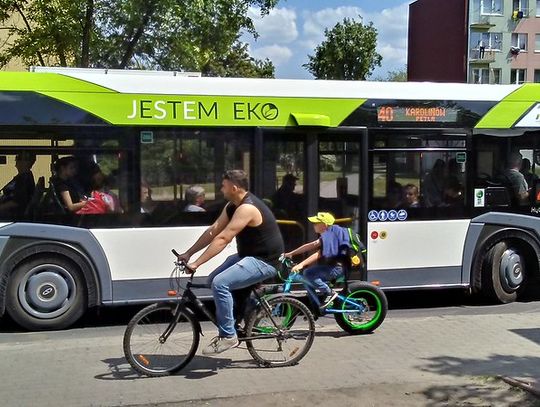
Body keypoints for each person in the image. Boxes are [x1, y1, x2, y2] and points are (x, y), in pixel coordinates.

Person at [175, 170, 284, 355]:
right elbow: (214, 230)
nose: (220, 189)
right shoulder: (232, 205)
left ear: (234, 187)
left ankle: (228, 336)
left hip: (265, 261)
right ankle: (240, 315)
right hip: (248, 256)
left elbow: (224, 238)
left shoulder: (247, 208)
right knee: (212, 280)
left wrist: (197, 263)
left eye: (223, 186)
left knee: (220, 283)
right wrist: (188, 253)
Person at [283, 212, 351, 309]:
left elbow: (318, 254)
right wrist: (291, 253)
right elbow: (311, 245)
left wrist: (301, 265)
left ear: (324, 225)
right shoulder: (327, 234)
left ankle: (330, 294)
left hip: (338, 268)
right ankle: (316, 306)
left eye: (316, 223)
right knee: (307, 274)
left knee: (309, 274)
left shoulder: (330, 235)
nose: (313, 225)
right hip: (333, 267)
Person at [0, 152, 36, 218]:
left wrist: (1, 207)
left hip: (12, 216)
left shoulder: (25, 179)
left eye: (19, 158)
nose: (16, 161)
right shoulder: (20, 178)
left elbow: (17, 201)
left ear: (27, 162)